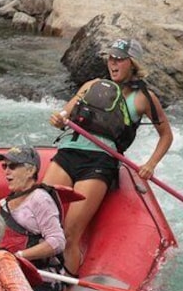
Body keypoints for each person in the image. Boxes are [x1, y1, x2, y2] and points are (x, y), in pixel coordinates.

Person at [45, 38, 173, 275]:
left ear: (132, 64)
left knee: (70, 234)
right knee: (42, 219)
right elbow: (65, 114)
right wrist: (58, 118)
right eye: (111, 58)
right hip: (68, 153)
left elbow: (166, 135)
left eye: (119, 59)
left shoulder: (144, 98)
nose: (113, 63)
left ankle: (65, 290)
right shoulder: (93, 85)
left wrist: (151, 164)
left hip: (99, 164)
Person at [0, 146, 67, 291]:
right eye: (5, 166)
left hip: (42, 283)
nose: (7, 171)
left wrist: (18, 256)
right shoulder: (3, 204)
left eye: (13, 166)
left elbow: (57, 241)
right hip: (12, 280)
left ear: (31, 170)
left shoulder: (40, 199)